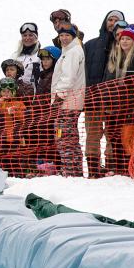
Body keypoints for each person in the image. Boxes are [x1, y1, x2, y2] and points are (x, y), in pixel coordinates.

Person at [50, 26, 85, 175]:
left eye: (67, 35)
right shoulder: (69, 51)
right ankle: (74, 170)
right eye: (61, 35)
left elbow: (68, 78)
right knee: (69, 137)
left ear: (73, 36)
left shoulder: (73, 52)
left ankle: (70, 171)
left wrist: (59, 97)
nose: (64, 38)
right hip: (70, 102)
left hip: (67, 103)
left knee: (64, 137)